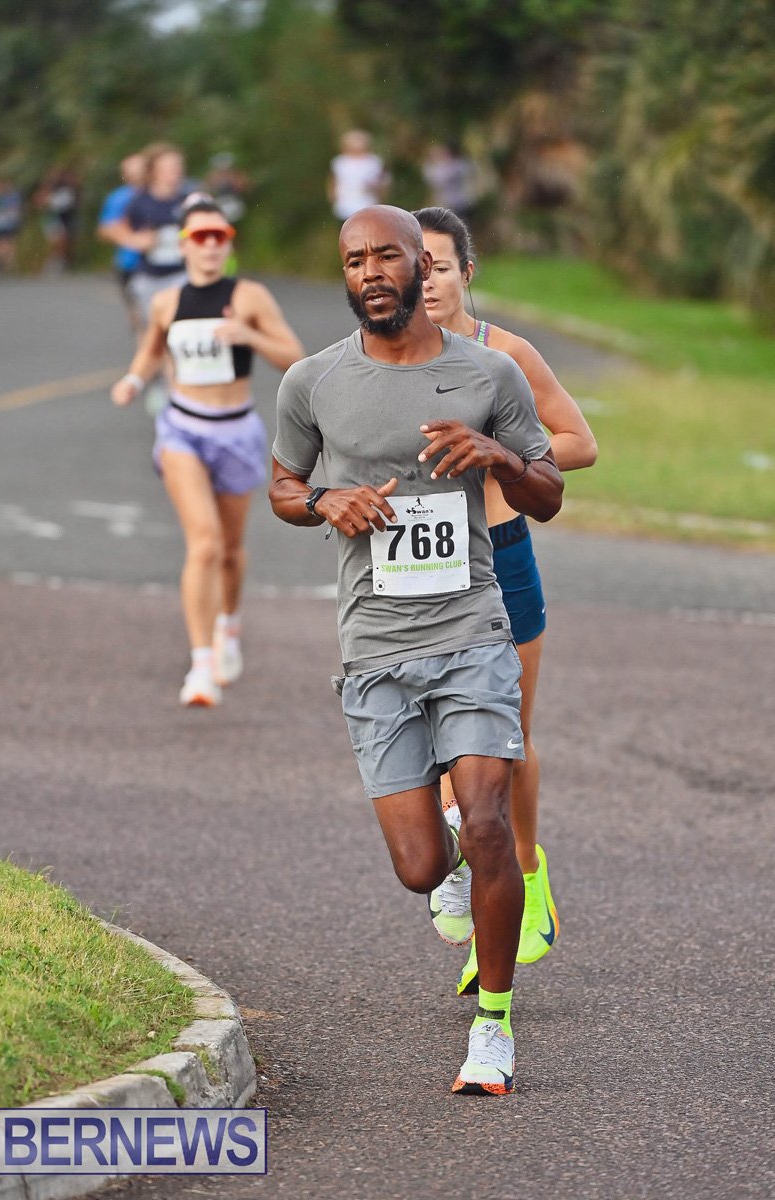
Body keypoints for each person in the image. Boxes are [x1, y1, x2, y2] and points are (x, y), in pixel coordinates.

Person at [270, 205, 563, 1095]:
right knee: (422, 867)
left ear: (420, 266)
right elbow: (284, 485)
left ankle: (495, 1029)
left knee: (487, 824)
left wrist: (499, 459)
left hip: (473, 626)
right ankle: (445, 858)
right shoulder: (312, 382)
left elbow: (547, 491)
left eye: (386, 256)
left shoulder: (489, 373)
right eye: (354, 259)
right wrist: (325, 503)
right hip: (375, 645)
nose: (370, 271)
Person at [415, 205, 597, 993]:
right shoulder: (381, 358)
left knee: (505, 736)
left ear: (467, 273)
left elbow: (579, 443)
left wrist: (500, 456)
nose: (427, 282)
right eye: (412, 267)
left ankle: (523, 873)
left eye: (441, 266)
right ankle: (469, 858)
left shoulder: (505, 355)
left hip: (502, 556)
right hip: (420, 570)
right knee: (425, 732)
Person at [111, 196, 304, 707]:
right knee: (204, 543)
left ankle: (229, 627)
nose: (211, 245)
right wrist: (134, 378)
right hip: (181, 430)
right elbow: (154, 346)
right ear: (184, 245)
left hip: (236, 432)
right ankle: (200, 666)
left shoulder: (250, 297)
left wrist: (249, 335)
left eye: (220, 236)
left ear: (228, 243)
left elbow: (296, 359)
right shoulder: (167, 302)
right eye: (201, 237)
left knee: (230, 551)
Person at [102, 143, 190, 324]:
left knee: (178, 326)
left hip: (182, 275)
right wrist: (134, 240)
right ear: (154, 171)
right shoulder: (135, 200)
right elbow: (109, 227)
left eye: (178, 166)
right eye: (169, 167)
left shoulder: (188, 199)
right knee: (151, 330)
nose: (176, 170)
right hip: (147, 276)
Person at [97, 153, 145, 334]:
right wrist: (130, 239)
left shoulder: (162, 194)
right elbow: (103, 230)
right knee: (140, 319)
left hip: (163, 264)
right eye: (131, 171)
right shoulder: (119, 198)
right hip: (129, 264)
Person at [327, 130, 389, 223]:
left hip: (368, 204)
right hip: (344, 206)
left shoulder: (373, 162)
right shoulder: (339, 162)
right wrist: (333, 197)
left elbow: (382, 182)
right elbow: (333, 181)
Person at [421, 142, 478, 220]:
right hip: (448, 204)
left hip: (459, 202)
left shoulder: (455, 166)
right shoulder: (436, 169)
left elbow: (469, 170)